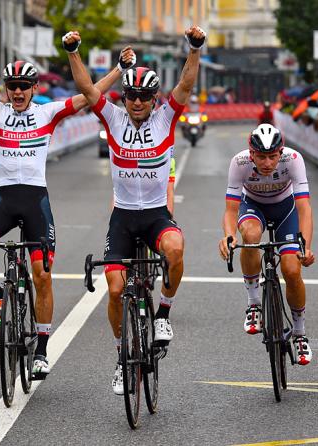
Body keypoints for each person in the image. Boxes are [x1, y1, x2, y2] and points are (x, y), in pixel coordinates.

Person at [0, 28, 136, 379]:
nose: (17, 92)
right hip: (5, 200)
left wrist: (118, 69)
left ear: (34, 89)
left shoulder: (48, 113)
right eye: (12, 87)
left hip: (35, 201)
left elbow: (89, 96)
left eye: (24, 87)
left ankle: (41, 349)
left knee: (42, 276)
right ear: (6, 89)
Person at [64, 25, 204, 394]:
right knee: (114, 290)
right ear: (124, 98)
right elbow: (87, 90)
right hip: (123, 217)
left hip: (157, 213)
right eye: (131, 97)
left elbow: (187, 85)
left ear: (154, 98)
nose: (137, 102)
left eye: (144, 96)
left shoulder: (165, 119)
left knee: (175, 250)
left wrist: (194, 48)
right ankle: (120, 357)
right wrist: (74, 52)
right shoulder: (112, 119)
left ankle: (163, 315)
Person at [218, 124, 315, 365]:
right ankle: (253, 304)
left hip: (286, 210)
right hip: (253, 207)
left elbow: (304, 208)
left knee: (292, 271)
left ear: (280, 152)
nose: (267, 162)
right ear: (251, 154)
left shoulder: (293, 159)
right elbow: (230, 210)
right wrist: (229, 236)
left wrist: (306, 246)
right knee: (250, 237)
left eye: (273, 156)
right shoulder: (239, 163)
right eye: (261, 157)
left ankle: (300, 333)